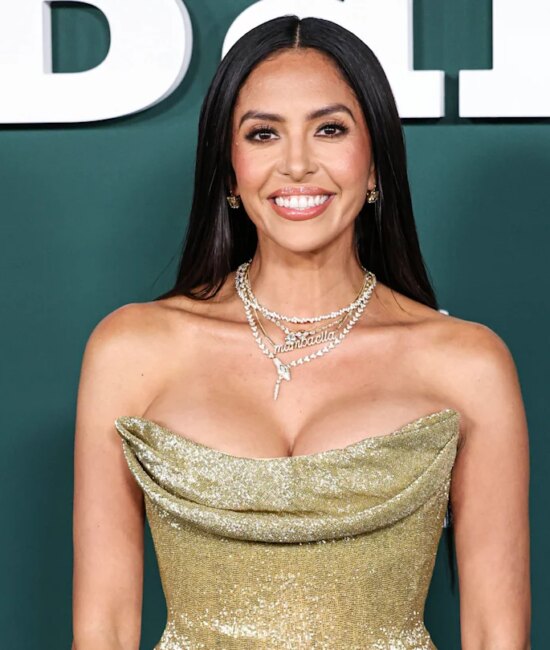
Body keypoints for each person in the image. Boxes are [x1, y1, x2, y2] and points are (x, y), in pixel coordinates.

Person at [71, 15, 531, 650]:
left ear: (376, 163)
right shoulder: (131, 350)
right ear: (229, 172)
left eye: (330, 129)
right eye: (263, 133)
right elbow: (105, 629)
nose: (296, 164)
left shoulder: (468, 362)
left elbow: (494, 635)